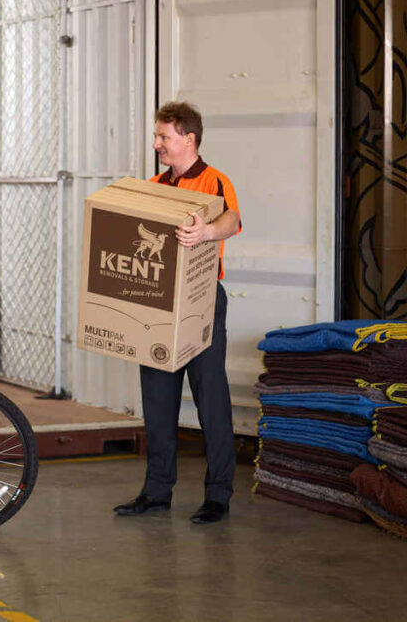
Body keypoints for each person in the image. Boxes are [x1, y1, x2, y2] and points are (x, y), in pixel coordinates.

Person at [114, 101, 241, 525]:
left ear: (189, 139)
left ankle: (218, 496)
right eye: (157, 137)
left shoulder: (214, 180)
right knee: (157, 399)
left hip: (202, 301)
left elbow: (231, 220)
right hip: (158, 301)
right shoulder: (154, 184)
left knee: (211, 398)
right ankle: (156, 492)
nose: (157, 144)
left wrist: (207, 230)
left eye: (164, 137)